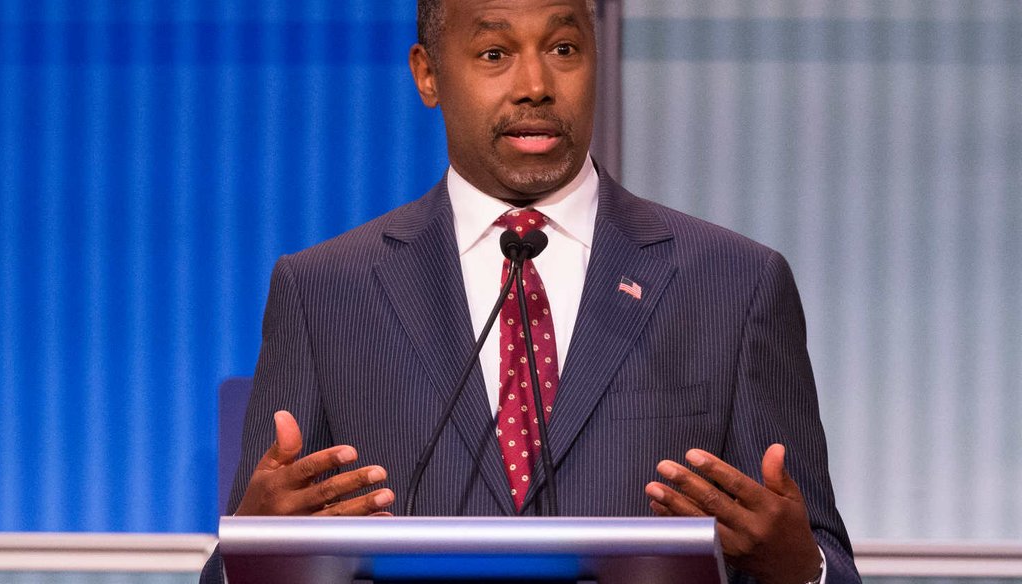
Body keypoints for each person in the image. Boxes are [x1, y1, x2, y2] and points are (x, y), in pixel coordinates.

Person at [201, 0, 860, 582]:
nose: (536, 85)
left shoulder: (733, 285)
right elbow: (237, 567)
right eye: (495, 53)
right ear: (427, 73)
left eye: (564, 49)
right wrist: (249, 557)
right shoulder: (323, 294)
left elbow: (820, 557)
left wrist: (802, 572)